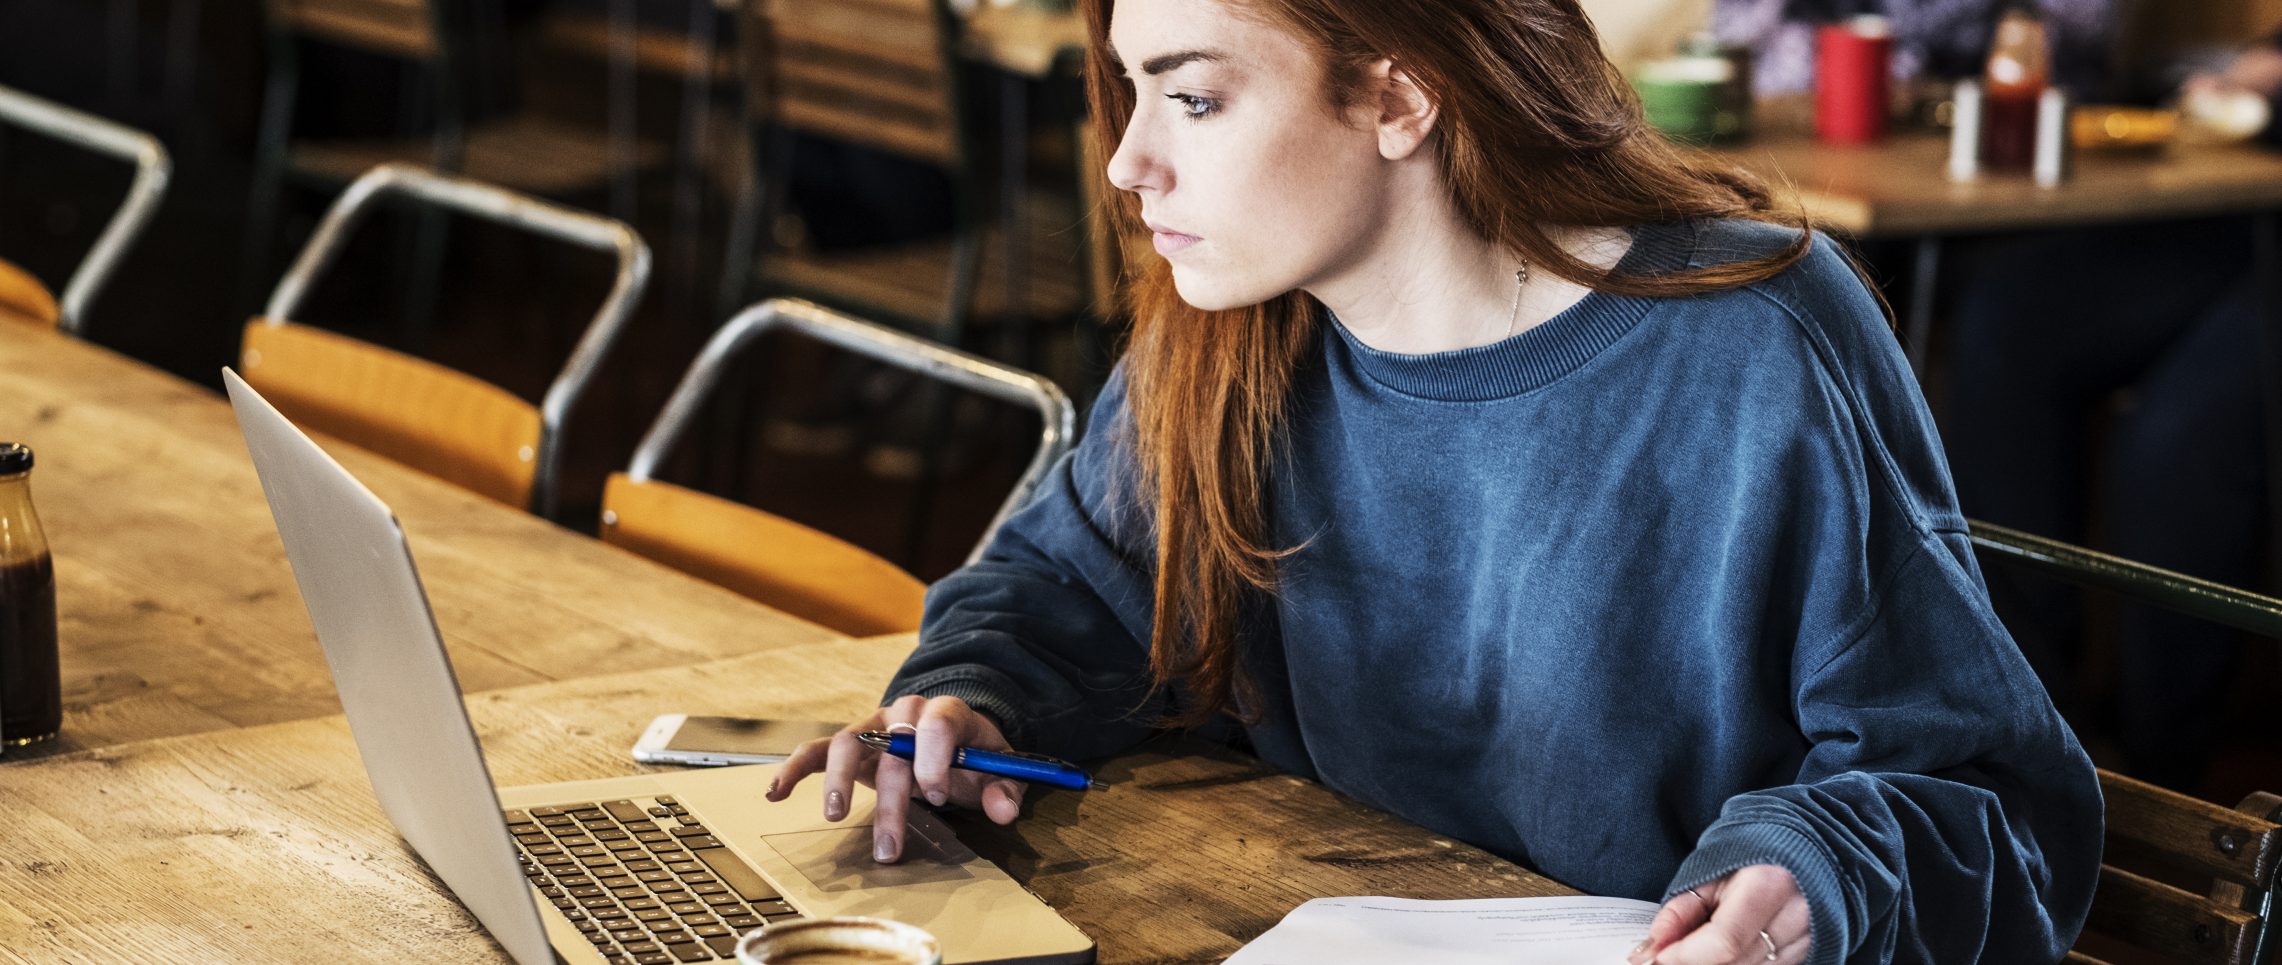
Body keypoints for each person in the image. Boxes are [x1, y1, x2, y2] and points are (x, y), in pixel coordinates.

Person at [770, 0, 2103, 961]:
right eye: (1124, 90)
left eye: (1189, 96)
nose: (1127, 164)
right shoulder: (1230, 322)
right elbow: (1068, 586)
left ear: (1402, 99)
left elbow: (1974, 788)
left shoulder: (1749, 340)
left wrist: (1807, 877)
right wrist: (968, 702)